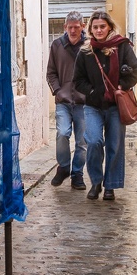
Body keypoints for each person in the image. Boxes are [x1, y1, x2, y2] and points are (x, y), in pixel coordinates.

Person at [72, 11, 137, 201]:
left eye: (102, 26)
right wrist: (93, 91)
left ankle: (110, 185)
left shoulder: (122, 46)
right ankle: (96, 182)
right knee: (94, 141)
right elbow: (78, 80)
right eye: (95, 27)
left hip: (116, 106)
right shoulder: (85, 51)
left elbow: (135, 70)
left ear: (109, 27)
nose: (99, 30)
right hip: (93, 106)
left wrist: (122, 86)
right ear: (90, 29)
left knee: (114, 145)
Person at [46, 11, 88, 190]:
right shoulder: (57, 45)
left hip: (83, 103)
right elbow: (50, 72)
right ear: (65, 27)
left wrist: (90, 93)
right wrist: (58, 91)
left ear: (83, 26)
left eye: (76, 27)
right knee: (62, 133)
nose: (73, 30)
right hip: (63, 101)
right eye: (70, 27)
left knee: (82, 141)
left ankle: (77, 174)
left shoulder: (88, 45)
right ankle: (63, 167)